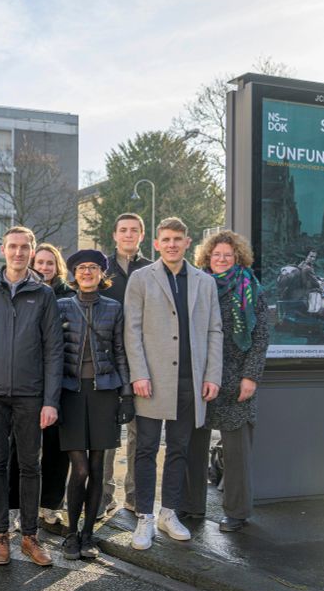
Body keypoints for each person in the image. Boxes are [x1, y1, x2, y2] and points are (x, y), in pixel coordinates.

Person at [0, 226, 62, 567]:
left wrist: (51, 400)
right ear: (3, 250)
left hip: (30, 395)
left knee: (30, 464)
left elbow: (54, 350)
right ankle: (1, 536)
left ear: (32, 252)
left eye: (24, 247)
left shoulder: (44, 294)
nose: (18, 253)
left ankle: (31, 537)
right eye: (13, 247)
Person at [124, 217, 222, 551]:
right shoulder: (141, 279)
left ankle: (168, 513)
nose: (171, 244)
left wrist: (211, 376)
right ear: (156, 243)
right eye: (165, 239)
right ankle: (145, 518)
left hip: (189, 382)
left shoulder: (204, 282)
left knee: (180, 449)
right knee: (147, 449)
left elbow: (214, 331)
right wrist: (138, 373)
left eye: (177, 239)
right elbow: (131, 330)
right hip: (150, 381)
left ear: (187, 241)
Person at [181, 230, 269, 532]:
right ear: (207, 256)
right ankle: (191, 506)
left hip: (236, 379)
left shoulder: (250, 287)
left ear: (237, 258)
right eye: (216, 254)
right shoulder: (196, 284)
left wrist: (250, 377)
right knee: (194, 445)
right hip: (200, 376)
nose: (221, 259)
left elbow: (260, 337)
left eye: (227, 255)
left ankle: (237, 512)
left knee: (237, 452)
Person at [56, 250, 133, 560]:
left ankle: (89, 534)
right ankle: (71, 532)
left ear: (102, 274)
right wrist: (50, 398)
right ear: (74, 274)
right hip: (70, 393)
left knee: (99, 467)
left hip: (105, 392)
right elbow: (52, 355)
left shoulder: (114, 308)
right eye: (81, 268)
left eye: (93, 268)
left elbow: (120, 352)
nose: (87, 272)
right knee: (81, 468)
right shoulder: (60, 306)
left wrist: (126, 395)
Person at [8, 243, 72, 530]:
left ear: (58, 268)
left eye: (50, 263)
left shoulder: (69, 298)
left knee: (57, 448)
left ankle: (50, 504)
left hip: (60, 381)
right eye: (40, 262)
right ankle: (16, 505)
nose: (45, 268)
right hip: (26, 383)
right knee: (21, 449)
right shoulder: (23, 293)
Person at [102, 212, 152, 517]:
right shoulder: (102, 267)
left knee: (139, 432)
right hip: (107, 361)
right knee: (108, 434)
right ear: (115, 234)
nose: (129, 235)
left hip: (141, 362)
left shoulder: (151, 269)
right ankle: (104, 495)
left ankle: (134, 495)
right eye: (123, 230)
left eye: (134, 230)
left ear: (142, 235)